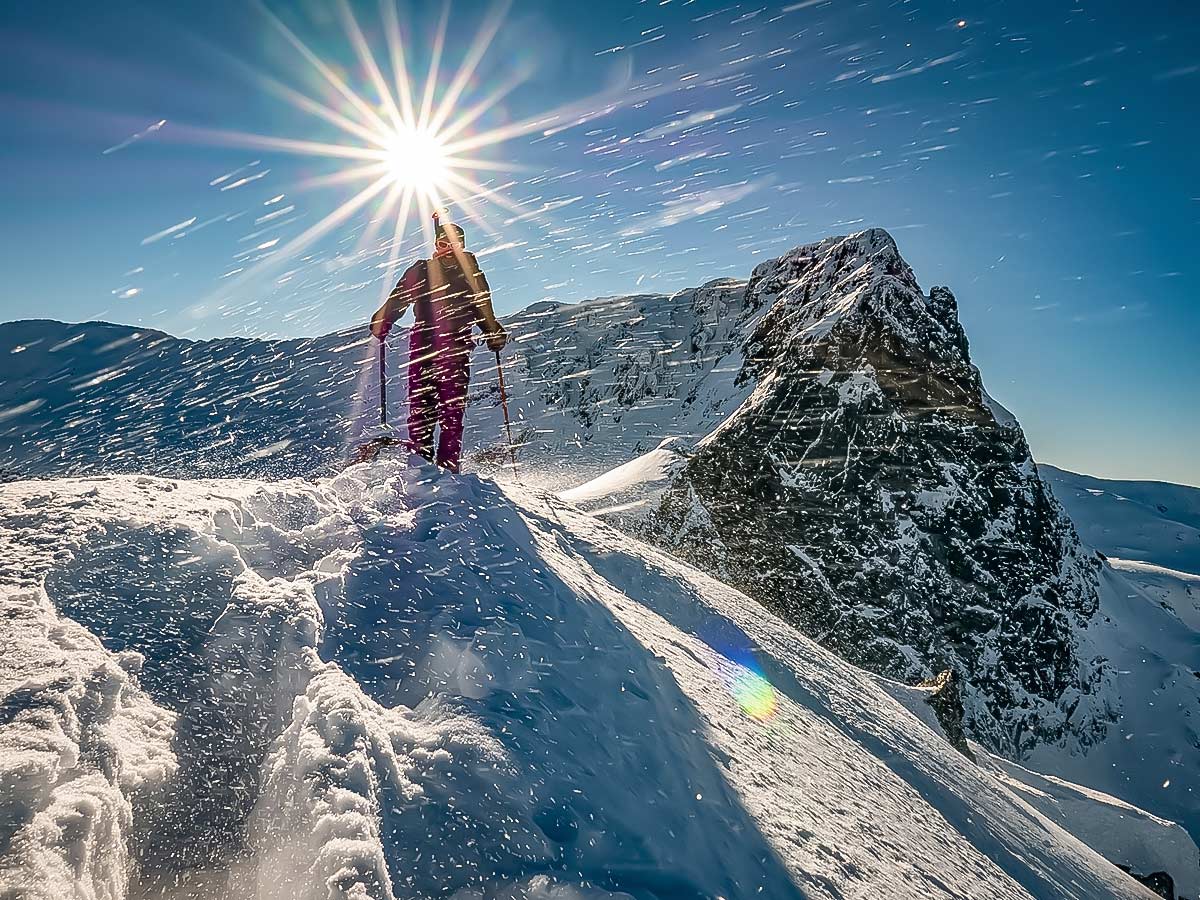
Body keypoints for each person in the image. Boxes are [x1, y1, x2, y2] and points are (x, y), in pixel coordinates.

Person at [369, 217, 507, 473]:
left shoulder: (470, 274)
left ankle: (445, 471)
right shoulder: (422, 270)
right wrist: (383, 319)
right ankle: (422, 469)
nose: (447, 249)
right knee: (423, 414)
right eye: (443, 243)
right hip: (425, 350)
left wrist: (492, 331)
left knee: (451, 415)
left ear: (462, 247)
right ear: (435, 244)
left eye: (453, 245)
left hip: (452, 350)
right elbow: (399, 299)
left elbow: (483, 309)